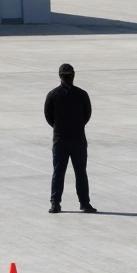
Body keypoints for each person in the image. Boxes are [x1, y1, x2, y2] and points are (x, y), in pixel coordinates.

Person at [44, 64, 96, 213]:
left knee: (78, 173)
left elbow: (87, 114)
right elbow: (49, 117)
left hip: (73, 139)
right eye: (66, 75)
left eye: (68, 75)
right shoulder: (55, 95)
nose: (67, 78)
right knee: (61, 172)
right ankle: (57, 203)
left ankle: (83, 203)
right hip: (65, 139)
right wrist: (64, 128)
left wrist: (65, 127)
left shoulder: (79, 94)